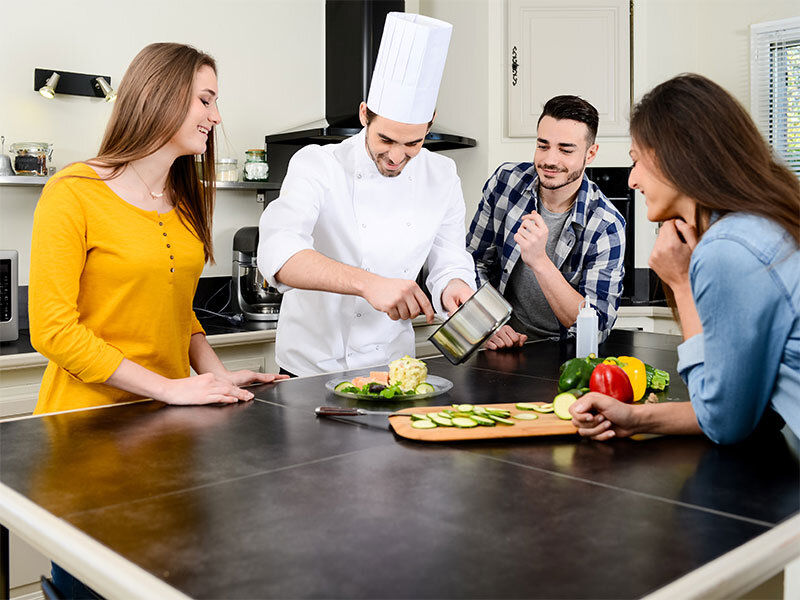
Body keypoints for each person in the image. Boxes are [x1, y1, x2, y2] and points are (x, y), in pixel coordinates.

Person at [29, 42, 287, 418]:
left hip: (167, 417)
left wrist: (217, 375)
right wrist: (167, 388)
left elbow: (177, 310)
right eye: (205, 100)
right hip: (85, 420)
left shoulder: (184, 201)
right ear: (157, 97)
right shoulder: (73, 191)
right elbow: (53, 331)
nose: (216, 117)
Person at [570, 73, 800, 444]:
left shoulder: (727, 250)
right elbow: (752, 407)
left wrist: (681, 283)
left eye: (636, 161)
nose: (632, 180)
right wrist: (635, 417)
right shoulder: (765, 224)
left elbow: (723, 421)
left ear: (675, 157)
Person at [258, 13, 476, 376]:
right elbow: (278, 252)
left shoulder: (442, 175)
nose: (396, 156)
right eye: (385, 139)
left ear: (430, 124)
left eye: (413, 143)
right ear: (364, 115)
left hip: (391, 369)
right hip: (309, 372)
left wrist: (455, 286)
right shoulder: (318, 164)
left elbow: (449, 259)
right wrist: (368, 284)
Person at [466, 95, 626, 350]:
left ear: (591, 153)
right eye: (543, 146)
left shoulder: (606, 225)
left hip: (563, 351)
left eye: (565, 150)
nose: (550, 160)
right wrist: (490, 323)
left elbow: (595, 327)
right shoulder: (505, 183)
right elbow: (473, 262)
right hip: (499, 342)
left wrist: (539, 261)